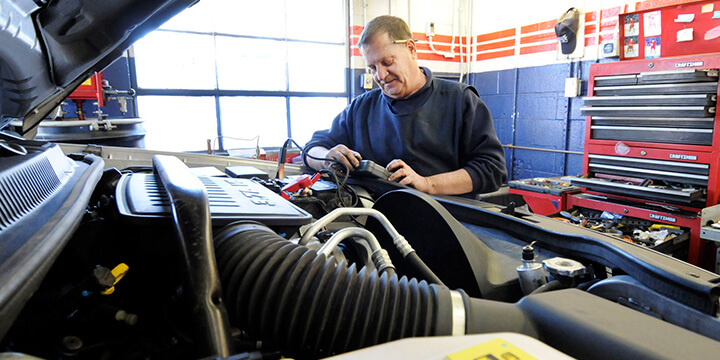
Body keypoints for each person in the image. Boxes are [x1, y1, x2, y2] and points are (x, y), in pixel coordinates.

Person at [304, 15, 507, 196]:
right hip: (374, 220)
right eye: (372, 67)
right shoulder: (361, 108)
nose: (380, 76)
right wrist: (327, 159)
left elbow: (492, 169)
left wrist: (428, 184)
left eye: (387, 62)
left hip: (449, 224)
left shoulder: (460, 101)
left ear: (411, 48)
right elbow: (312, 149)